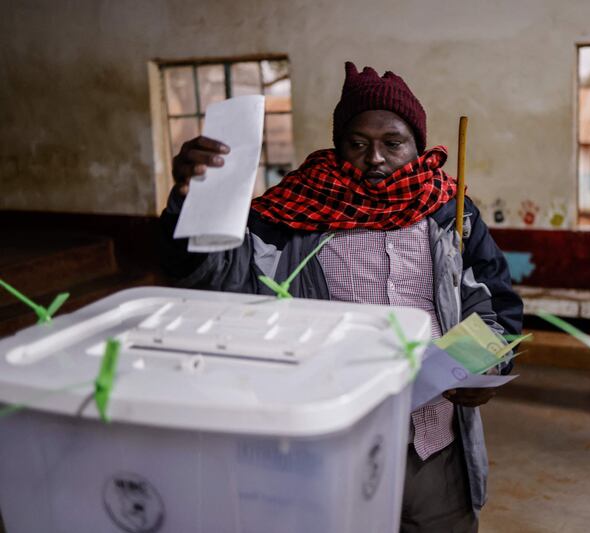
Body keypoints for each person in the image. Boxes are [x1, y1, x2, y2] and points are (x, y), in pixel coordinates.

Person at [159, 61, 523, 532]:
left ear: (416, 147)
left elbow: (494, 304)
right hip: (333, 439)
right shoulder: (290, 215)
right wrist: (193, 201)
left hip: (435, 443)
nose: (375, 159)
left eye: (392, 143)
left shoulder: (451, 215)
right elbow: (216, 278)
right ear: (337, 147)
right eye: (358, 143)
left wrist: (481, 368)